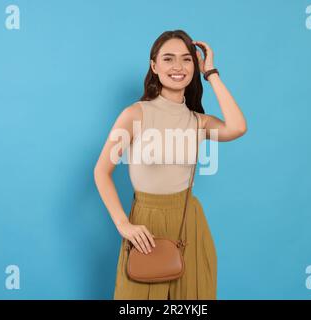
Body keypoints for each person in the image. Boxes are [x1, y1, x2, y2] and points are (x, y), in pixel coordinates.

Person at [94, 29, 247, 300]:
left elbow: (237, 127)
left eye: (186, 59)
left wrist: (210, 73)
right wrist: (123, 224)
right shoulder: (135, 114)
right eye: (168, 59)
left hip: (189, 223)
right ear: (154, 66)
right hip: (145, 222)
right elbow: (101, 171)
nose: (178, 67)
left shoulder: (198, 121)